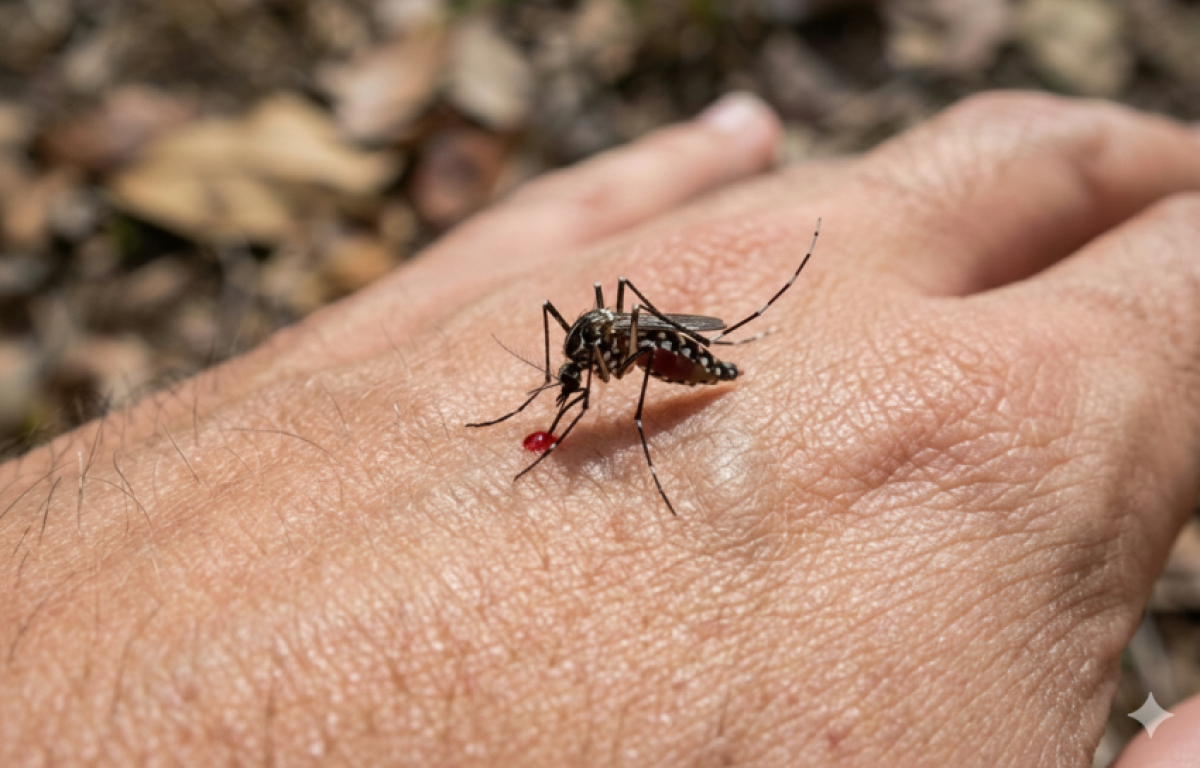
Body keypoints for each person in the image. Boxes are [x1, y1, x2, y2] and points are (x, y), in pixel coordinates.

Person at [1, 91, 1198, 766]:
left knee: (623, 336)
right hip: (649, 346)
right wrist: (544, 408)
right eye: (568, 387)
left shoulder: (621, 359)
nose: (574, 392)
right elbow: (574, 369)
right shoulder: (577, 365)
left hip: (685, 340)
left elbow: (612, 354)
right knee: (590, 343)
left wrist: (645, 376)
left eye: (574, 385)